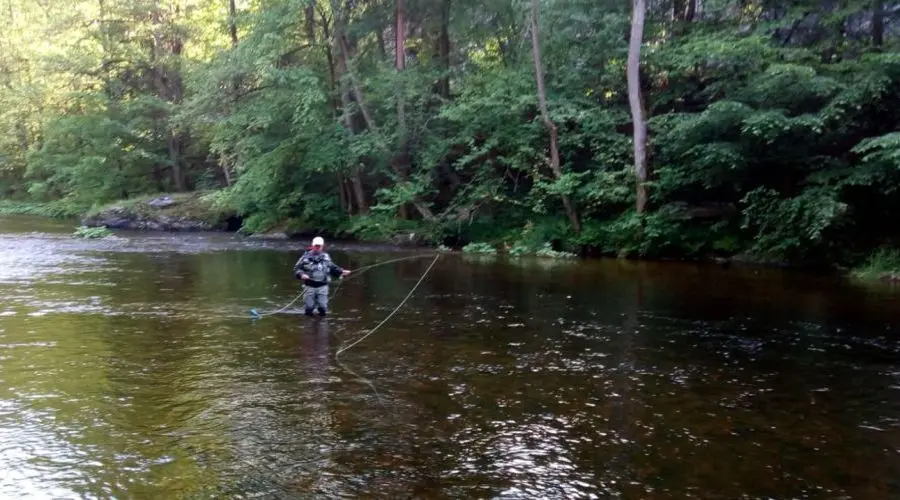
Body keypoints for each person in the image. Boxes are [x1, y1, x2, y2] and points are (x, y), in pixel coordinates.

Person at [293, 236, 350, 316]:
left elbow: (332, 268)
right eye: (316, 246)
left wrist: (342, 271)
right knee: (309, 308)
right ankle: (309, 325)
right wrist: (301, 274)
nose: (317, 248)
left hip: (323, 286)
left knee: (322, 308)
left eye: (319, 246)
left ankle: (322, 325)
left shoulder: (326, 257)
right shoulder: (305, 258)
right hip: (309, 286)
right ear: (312, 246)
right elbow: (296, 269)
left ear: (322, 247)